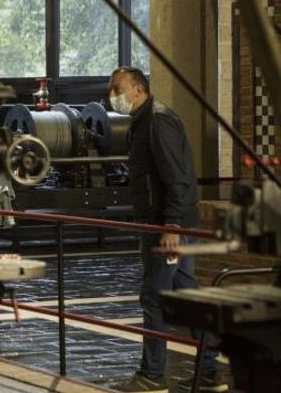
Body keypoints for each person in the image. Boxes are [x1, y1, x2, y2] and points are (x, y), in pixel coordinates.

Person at [108, 67, 226, 393]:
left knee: (154, 297)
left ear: (138, 89)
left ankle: (152, 375)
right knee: (187, 297)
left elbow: (178, 179)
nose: (112, 96)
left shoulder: (158, 121)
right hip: (160, 222)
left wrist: (171, 226)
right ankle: (209, 373)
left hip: (165, 227)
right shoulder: (142, 120)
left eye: (117, 88)